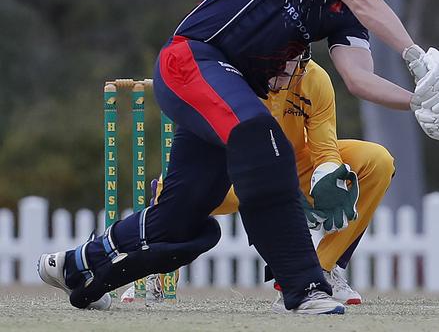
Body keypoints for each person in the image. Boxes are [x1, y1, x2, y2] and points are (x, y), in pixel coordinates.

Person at [38, 0, 439, 314]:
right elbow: (364, 1)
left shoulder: (344, 9)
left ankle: (76, 265)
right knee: (262, 135)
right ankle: (303, 286)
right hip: (192, 60)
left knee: (180, 221)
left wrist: (421, 103)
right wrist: (418, 58)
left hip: (229, 98)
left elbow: (359, 78)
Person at [121, 49, 394, 307]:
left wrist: (328, 177)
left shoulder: (314, 78)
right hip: (229, 171)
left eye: (295, 59)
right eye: (281, 57)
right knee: (170, 188)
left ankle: (320, 269)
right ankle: (154, 271)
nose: (287, 68)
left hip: (294, 165)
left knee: (377, 160)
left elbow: (325, 148)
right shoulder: (236, 73)